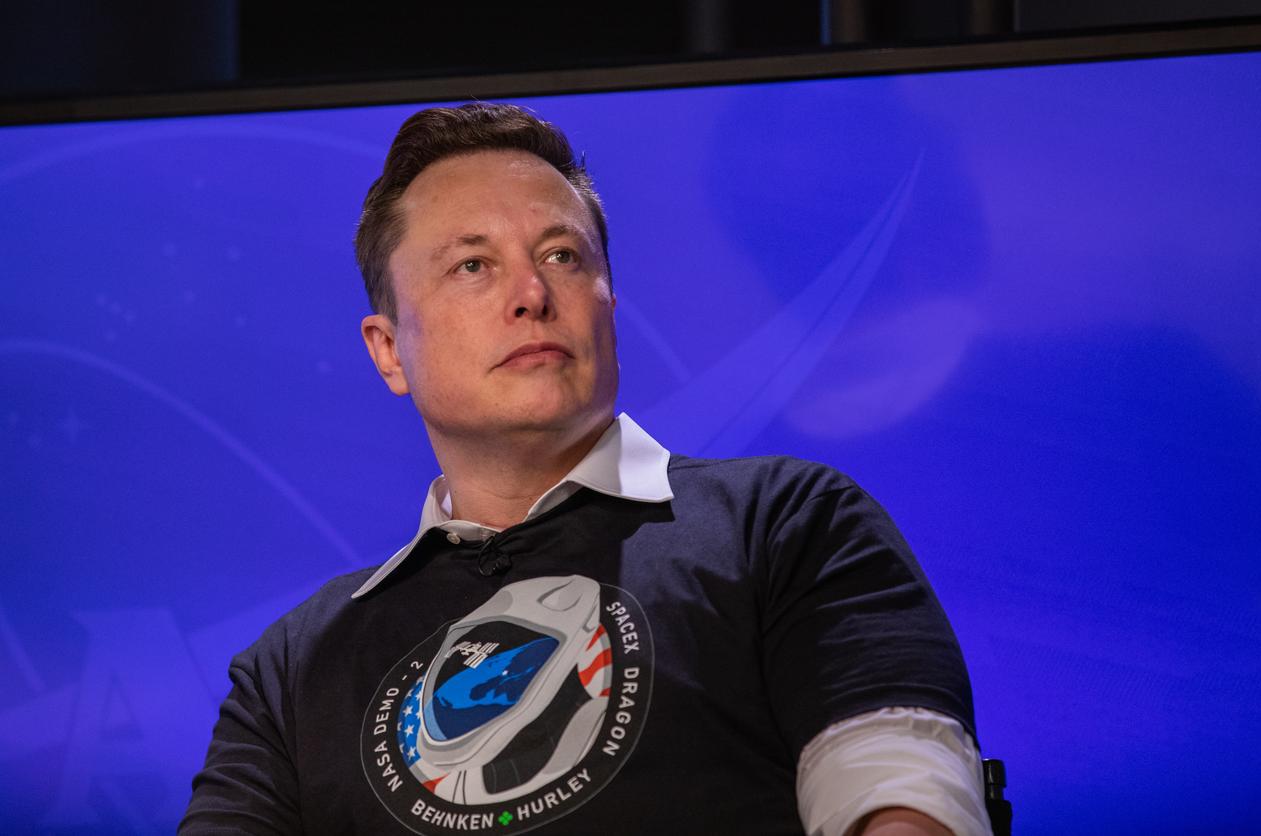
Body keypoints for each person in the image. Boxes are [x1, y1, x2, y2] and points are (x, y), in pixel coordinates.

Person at [181, 102, 991, 836]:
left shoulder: (785, 523)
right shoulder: (293, 668)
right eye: (473, 265)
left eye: (563, 255)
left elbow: (900, 792)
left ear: (609, 304)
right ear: (389, 351)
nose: (532, 293)